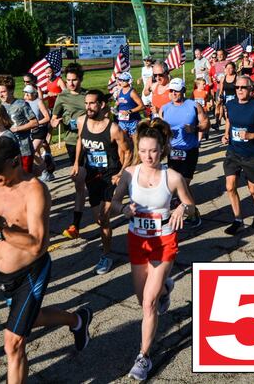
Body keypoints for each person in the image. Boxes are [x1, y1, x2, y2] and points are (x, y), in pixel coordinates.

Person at [0, 136, 92, 384]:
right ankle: (77, 319)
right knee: (32, 318)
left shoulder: (35, 191)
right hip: (2, 275)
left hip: (31, 272)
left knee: (13, 343)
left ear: (15, 162)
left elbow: (39, 244)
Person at [110, 119, 195, 380]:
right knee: (142, 299)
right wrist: (123, 209)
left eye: (154, 151)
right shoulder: (129, 173)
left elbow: (191, 205)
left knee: (149, 304)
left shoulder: (173, 177)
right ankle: (167, 287)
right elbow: (113, 204)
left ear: (163, 149)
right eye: (144, 150)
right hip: (138, 241)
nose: (148, 156)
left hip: (164, 242)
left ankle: (143, 357)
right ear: (139, 149)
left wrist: (182, 208)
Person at [73, 90, 132, 275]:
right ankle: (127, 214)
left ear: (101, 105)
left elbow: (128, 151)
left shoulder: (113, 128)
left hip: (109, 175)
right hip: (92, 175)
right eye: (86, 103)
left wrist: (121, 173)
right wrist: (76, 162)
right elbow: (80, 141)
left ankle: (106, 255)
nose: (88, 107)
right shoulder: (82, 121)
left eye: (92, 103)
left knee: (104, 218)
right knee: (99, 219)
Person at [222, 75, 254, 234]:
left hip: (251, 154)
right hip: (233, 152)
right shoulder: (230, 104)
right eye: (237, 87)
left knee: (253, 190)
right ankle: (238, 219)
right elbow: (230, 121)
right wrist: (226, 134)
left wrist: (251, 136)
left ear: (251, 90)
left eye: (243, 87)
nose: (239, 90)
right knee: (230, 187)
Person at [158, 78, 208, 227]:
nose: (173, 93)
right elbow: (159, 127)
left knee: (184, 183)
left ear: (183, 91)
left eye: (176, 91)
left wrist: (195, 129)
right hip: (173, 151)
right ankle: (183, 205)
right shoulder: (165, 109)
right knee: (174, 184)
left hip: (190, 150)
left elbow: (206, 123)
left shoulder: (193, 106)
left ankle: (194, 213)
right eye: (171, 91)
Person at [50, 63, 88, 239]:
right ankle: (76, 224)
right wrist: (56, 122)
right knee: (79, 182)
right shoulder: (62, 97)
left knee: (95, 180)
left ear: (80, 79)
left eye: (74, 80)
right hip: (72, 142)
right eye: (69, 80)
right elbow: (54, 118)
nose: (71, 83)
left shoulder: (88, 96)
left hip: (91, 141)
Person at [0, 75, 39, 173]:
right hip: (8, 151)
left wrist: (17, 129)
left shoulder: (21, 104)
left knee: (25, 179)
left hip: (24, 149)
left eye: (3, 92)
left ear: (11, 90)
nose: (0, 95)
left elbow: (34, 122)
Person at [23, 84, 54, 181]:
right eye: (25, 93)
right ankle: (48, 167)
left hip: (40, 130)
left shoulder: (38, 102)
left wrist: (36, 123)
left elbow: (47, 117)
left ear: (33, 94)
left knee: (33, 150)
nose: (26, 95)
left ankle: (45, 171)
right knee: (36, 153)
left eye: (28, 93)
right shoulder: (25, 103)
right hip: (30, 131)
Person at [114, 72, 145, 138]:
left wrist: (129, 111)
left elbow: (142, 106)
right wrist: (116, 107)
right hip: (122, 121)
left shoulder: (132, 92)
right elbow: (122, 102)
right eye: (120, 80)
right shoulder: (120, 91)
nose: (121, 82)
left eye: (124, 80)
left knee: (135, 142)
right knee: (123, 141)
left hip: (133, 121)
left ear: (129, 81)